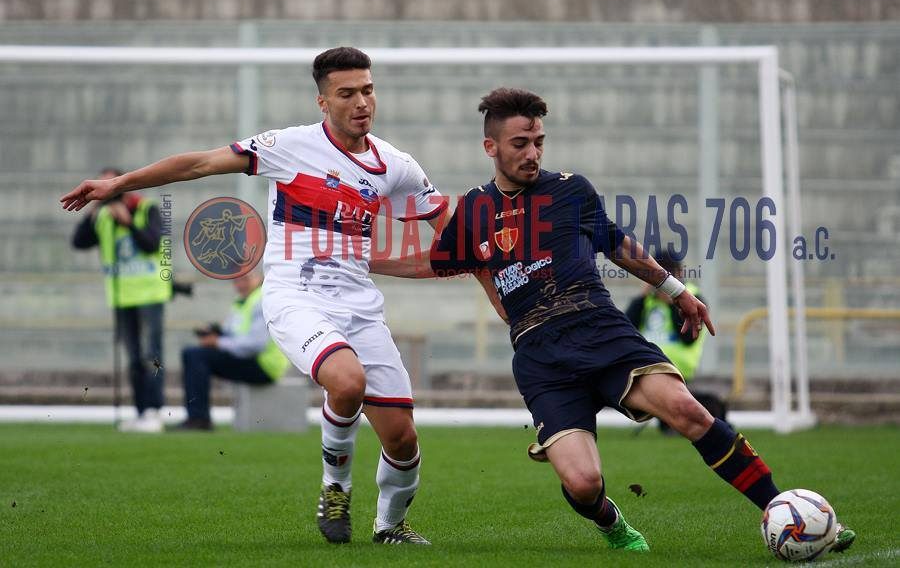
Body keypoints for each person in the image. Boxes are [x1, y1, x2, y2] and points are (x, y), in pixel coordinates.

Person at [373, 87, 856, 553]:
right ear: (491, 146)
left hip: (598, 327)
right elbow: (435, 261)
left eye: (538, 141)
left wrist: (676, 290)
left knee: (690, 412)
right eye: (520, 144)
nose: (532, 153)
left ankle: (786, 511)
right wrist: (365, 259)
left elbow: (618, 245)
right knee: (583, 483)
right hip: (540, 355)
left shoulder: (571, 190)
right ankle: (611, 520)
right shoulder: (475, 208)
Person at [62, 47, 445, 545]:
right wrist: (119, 184)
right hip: (295, 299)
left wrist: (502, 241)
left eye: (367, 90)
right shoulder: (288, 146)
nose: (361, 102)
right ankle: (335, 490)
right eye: (346, 93)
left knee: (403, 439)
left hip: (361, 307)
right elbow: (198, 163)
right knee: (346, 382)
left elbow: (450, 230)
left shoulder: (395, 165)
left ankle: (389, 526)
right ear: (322, 101)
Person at [71, 167, 171, 433]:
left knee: (152, 355)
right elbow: (79, 242)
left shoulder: (145, 208)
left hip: (149, 294)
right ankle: (141, 412)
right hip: (121, 296)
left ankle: (155, 411)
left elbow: (152, 243)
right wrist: (92, 210)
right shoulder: (102, 215)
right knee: (134, 356)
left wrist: (128, 222)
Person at [624, 251, 727, 433]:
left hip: (676, 365)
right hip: (646, 363)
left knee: (675, 420)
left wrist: (673, 303)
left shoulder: (693, 297)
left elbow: (688, 339)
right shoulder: (647, 300)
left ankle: (711, 405)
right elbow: (626, 327)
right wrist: (642, 296)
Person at [176, 271, 290, 431]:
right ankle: (197, 417)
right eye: (236, 281)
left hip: (263, 365)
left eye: (244, 279)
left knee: (195, 356)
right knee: (193, 353)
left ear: (258, 278)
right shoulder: (242, 300)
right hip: (252, 359)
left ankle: (199, 418)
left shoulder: (263, 301)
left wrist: (217, 342)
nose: (240, 285)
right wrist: (215, 333)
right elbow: (233, 334)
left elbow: (254, 345)